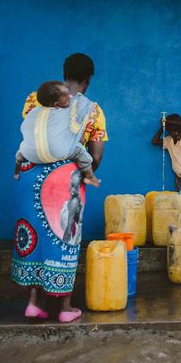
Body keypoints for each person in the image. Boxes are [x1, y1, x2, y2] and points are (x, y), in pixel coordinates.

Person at [13, 53, 107, 324]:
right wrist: (77, 173)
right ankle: (64, 307)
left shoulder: (34, 99)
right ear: (88, 79)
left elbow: (32, 134)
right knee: (64, 237)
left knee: (35, 237)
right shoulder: (92, 109)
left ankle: (33, 303)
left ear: (63, 73)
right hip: (64, 180)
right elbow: (96, 156)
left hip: (30, 175)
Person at [13, 81, 100, 188]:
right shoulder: (63, 113)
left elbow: (25, 128)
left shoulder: (33, 112)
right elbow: (75, 127)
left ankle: (17, 172)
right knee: (80, 150)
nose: (70, 97)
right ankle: (90, 176)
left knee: (22, 150)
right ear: (57, 105)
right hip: (57, 152)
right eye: (67, 97)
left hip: (31, 154)